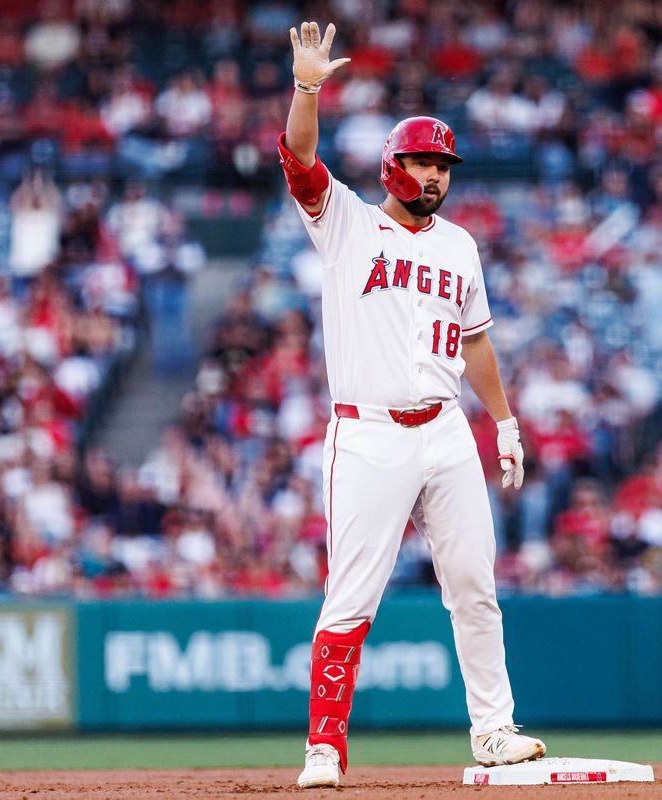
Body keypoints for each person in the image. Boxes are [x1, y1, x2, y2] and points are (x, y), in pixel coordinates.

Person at [280, 20, 545, 789]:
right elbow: (299, 160)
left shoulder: (460, 246)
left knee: (474, 586)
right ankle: (324, 748)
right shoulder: (348, 224)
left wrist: (504, 423)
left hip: (444, 433)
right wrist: (307, 88)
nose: (436, 176)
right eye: (425, 162)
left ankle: (494, 731)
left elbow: (478, 344)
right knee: (351, 595)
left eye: (444, 166)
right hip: (367, 435)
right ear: (395, 164)